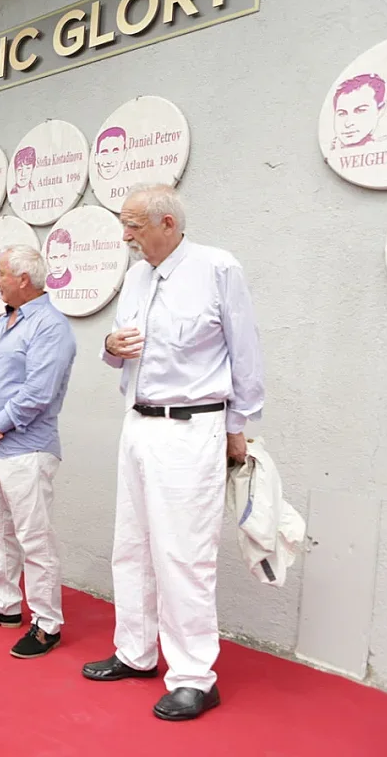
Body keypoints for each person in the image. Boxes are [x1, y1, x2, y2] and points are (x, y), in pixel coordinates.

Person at [81, 184, 264, 722]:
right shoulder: (136, 276)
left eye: (133, 226)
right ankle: (135, 652)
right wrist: (109, 348)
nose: (124, 235)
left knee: (183, 554)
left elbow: (246, 353)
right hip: (137, 424)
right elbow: (116, 346)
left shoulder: (217, 268)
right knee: (131, 545)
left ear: (167, 222)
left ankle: (193, 677)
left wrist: (238, 427)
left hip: (191, 428)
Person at [0, 245, 77, 659]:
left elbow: (39, 392)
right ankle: (5, 605)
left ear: (24, 279)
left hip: (26, 449)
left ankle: (47, 624)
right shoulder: (4, 322)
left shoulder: (51, 326)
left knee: (34, 538)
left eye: (1, 273)